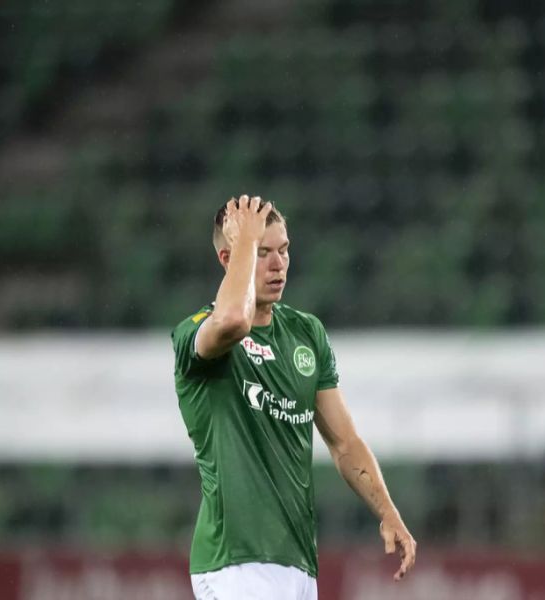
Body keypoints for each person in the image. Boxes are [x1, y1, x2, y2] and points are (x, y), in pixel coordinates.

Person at [171, 196, 416, 600]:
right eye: (261, 252)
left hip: (298, 563)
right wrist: (244, 243)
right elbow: (233, 320)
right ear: (227, 258)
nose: (277, 264)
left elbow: (344, 443)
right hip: (235, 563)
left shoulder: (306, 334)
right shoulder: (195, 333)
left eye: (283, 250)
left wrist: (387, 510)